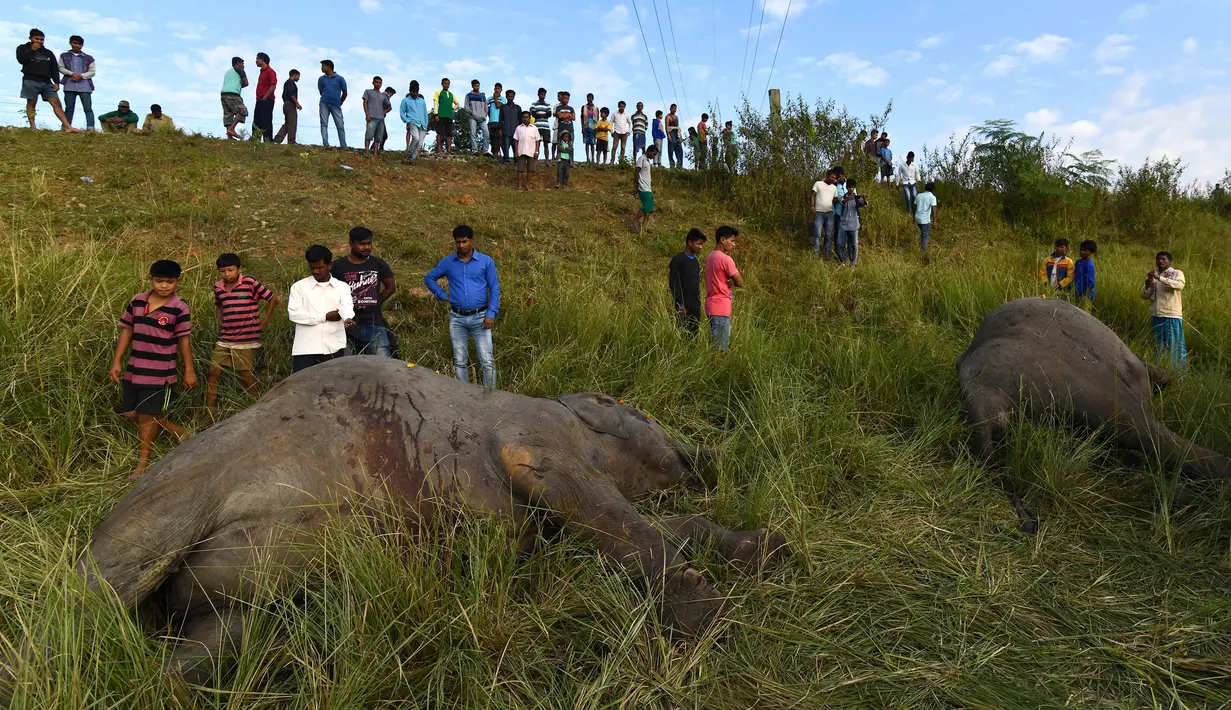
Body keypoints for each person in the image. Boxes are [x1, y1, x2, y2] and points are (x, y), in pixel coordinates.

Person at [108, 260, 196, 478]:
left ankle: (143, 465)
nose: (164, 286)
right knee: (130, 413)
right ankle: (179, 431)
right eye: (159, 281)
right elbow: (127, 332)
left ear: (178, 282)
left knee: (146, 418)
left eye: (169, 282)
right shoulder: (137, 301)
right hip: (135, 367)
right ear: (150, 280)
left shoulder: (179, 307)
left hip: (159, 372)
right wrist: (117, 361)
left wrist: (189, 370)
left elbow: (184, 341)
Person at [424, 225, 501, 389]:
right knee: (459, 360)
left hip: (481, 316)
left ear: (472, 241)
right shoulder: (448, 262)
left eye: (464, 241)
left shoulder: (486, 262)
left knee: (487, 359)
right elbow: (429, 278)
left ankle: (492, 397)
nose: (461, 245)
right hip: (457, 317)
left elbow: (494, 288)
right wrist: (443, 295)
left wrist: (491, 314)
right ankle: (464, 397)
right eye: (458, 242)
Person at [206, 253, 276, 419]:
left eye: (230, 270)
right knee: (213, 371)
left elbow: (272, 298)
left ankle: (259, 406)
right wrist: (220, 320)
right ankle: (210, 412)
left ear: (239, 269)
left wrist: (265, 320)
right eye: (222, 271)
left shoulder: (249, 283)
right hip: (225, 338)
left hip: (247, 338)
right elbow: (219, 305)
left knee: (245, 373)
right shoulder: (218, 287)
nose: (227, 274)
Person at [287, 245, 354, 373]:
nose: (315, 271)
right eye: (312, 268)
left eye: (319, 268)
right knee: (302, 386)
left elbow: (346, 306)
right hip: (306, 347)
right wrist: (325, 317)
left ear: (329, 265)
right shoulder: (299, 287)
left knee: (332, 384)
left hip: (334, 346)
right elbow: (294, 314)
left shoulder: (342, 287)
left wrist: (347, 318)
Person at [331, 227, 396, 357]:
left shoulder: (378, 263)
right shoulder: (338, 266)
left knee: (383, 361)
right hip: (347, 324)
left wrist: (376, 302)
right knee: (346, 364)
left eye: (369, 243)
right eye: (362, 244)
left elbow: (390, 287)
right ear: (351, 244)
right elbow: (330, 291)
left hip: (373, 322)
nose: (366, 247)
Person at [17, 29, 77, 132]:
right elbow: (21, 60)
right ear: (30, 38)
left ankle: (68, 127)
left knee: (56, 102)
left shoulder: (48, 52)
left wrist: (56, 82)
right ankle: (32, 126)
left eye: (42, 40)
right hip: (30, 79)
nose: (39, 41)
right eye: (36, 39)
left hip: (47, 81)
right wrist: (32, 50)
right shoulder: (22, 48)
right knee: (31, 102)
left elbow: (54, 68)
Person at [1141, 251, 1187, 365]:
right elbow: (1143, 295)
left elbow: (1179, 285)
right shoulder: (1154, 276)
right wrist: (1147, 285)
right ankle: (1161, 368)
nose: (1160, 261)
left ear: (1170, 262)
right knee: (1159, 345)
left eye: (1163, 259)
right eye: (1158, 259)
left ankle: (1177, 372)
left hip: (1171, 315)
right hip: (1156, 315)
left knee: (1173, 346)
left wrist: (1160, 278)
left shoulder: (1176, 273)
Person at [705, 226, 743, 351]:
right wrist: (734, 281)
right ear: (722, 240)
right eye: (732, 241)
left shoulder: (710, 256)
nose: (734, 244)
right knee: (721, 349)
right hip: (721, 307)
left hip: (711, 305)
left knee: (716, 346)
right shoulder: (726, 259)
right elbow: (740, 282)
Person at [669, 228, 706, 333]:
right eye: (698, 244)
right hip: (683, 307)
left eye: (702, 244)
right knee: (683, 335)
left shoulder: (695, 261)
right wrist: (680, 304)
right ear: (690, 243)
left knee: (694, 336)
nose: (700, 247)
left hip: (695, 305)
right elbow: (674, 283)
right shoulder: (678, 260)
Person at [58, 35, 95, 131]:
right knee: (69, 108)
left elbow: (92, 72)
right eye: (75, 43)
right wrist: (72, 74)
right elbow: (60, 68)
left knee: (88, 108)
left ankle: (90, 128)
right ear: (70, 43)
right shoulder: (64, 56)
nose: (77, 46)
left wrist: (81, 76)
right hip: (69, 84)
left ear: (82, 45)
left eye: (79, 44)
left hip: (85, 86)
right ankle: (66, 127)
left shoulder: (89, 58)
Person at [809, 169, 839, 259]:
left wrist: (837, 200)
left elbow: (834, 199)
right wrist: (812, 207)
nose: (833, 179)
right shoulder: (818, 184)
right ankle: (816, 254)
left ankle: (827, 255)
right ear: (827, 175)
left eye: (835, 178)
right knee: (817, 234)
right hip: (819, 213)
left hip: (830, 213)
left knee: (829, 235)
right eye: (832, 177)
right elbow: (813, 195)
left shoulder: (834, 187)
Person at [318, 59, 348, 149]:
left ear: (329, 67)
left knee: (340, 125)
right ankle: (325, 143)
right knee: (324, 123)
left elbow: (345, 92)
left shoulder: (340, 79)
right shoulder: (321, 79)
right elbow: (321, 91)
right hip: (324, 103)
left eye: (323, 66)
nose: (322, 68)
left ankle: (343, 145)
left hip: (336, 105)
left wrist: (340, 101)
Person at [838, 179, 867, 266]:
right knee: (841, 244)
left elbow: (863, 204)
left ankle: (853, 263)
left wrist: (864, 199)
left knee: (854, 245)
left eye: (852, 187)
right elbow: (841, 202)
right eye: (849, 187)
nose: (851, 189)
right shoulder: (843, 196)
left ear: (854, 188)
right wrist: (848, 199)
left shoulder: (856, 198)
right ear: (846, 187)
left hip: (854, 224)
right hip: (843, 224)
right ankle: (846, 260)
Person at [400, 80, 428, 165]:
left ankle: (412, 158)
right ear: (410, 91)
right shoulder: (405, 100)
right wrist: (407, 121)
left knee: (420, 143)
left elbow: (425, 112)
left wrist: (426, 123)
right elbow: (402, 112)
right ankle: (408, 154)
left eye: (416, 92)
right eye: (413, 91)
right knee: (415, 138)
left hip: (423, 123)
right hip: (412, 121)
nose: (415, 93)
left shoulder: (422, 101)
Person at [362, 76, 391, 157]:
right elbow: (365, 103)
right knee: (369, 135)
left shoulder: (383, 96)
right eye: (376, 82)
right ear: (373, 83)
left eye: (380, 83)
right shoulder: (368, 92)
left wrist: (383, 112)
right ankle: (367, 152)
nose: (378, 84)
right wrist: (367, 114)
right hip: (371, 117)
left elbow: (389, 107)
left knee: (378, 137)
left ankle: (375, 153)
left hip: (380, 119)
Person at [220, 56, 249, 140]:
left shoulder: (228, 72)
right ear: (238, 63)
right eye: (242, 63)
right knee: (243, 111)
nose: (243, 66)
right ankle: (231, 129)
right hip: (233, 94)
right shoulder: (239, 70)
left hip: (223, 94)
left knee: (228, 114)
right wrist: (240, 86)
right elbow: (246, 83)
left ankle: (229, 137)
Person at [633, 144, 658, 233]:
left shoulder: (647, 161)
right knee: (646, 207)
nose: (654, 156)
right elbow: (636, 172)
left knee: (650, 209)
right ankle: (635, 220)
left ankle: (644, 227)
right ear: (649, 151)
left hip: (648, 188)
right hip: (643, 187)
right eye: (654, 154)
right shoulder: (642, 159)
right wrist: (635, 186)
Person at [252, 53, 277, 141]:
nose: (256, 61)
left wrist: (265, 97)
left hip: (267, 100)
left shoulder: (270, 71)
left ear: (262, 60)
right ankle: (255, 139)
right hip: (259, 99)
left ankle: (268, 140)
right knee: (257, 120)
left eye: (257, 59)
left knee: (266, 120)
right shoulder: (262, 72)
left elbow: (273, 85)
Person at [513, 111, 540, 191]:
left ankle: (528, 185)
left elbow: (537, 141)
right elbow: (516, 140)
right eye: (524, 117)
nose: (525, 119)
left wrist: (537, 151)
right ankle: (519, 186)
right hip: (521, 152)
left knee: (530, 170)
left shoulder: (534, 128)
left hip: (531, 152)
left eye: (527, 117)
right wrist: (516, 151)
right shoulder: (518, 128)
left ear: (530, 118)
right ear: (521, 118)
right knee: (520, 170)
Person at [273, 69, 301, 144]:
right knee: (292, 123)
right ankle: (291, 141)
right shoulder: (291, 83)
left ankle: (277, 139)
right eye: (298, 76)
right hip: (290, 104)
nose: (299, 78)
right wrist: (296, 103)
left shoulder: (287, 83)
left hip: (286, 104)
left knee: (287, 123)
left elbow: (283, 95)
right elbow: (291, 93)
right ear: (294, 75)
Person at [432, 77, 459, 156]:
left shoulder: (451, 94)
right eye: (445, 84)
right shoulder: (438, 92)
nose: (446, 85)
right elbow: (436, 103)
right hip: (441, 115)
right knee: (440, 133)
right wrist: (436, 114)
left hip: (449, 116)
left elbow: (457, 103)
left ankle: (449, 150)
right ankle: (439, 150)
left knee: (449, 133)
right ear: (442, 84)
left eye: (448, 84)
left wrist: (452, 108)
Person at [463, 79, 489, 155]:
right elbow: (466, 106)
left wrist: (485, 114)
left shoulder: (482, 96)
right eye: (475, 86)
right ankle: (474, 150)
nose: (477, 87)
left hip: (482, 118)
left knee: (486, 133)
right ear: (472, 86)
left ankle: (485, 150)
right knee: (473, 133)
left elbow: (486, 107)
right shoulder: (469, 95)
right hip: (473, 117)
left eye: (478, 85)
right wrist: (472, 113)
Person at [915, 182, 939, 262]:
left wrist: (913, 218)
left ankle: (921, 247)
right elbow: (934, 210)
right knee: (925, 236)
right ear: (933, 189)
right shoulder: (932, 197)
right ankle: (923, 253)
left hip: (917, 218)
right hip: (925, 220)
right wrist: (934, 222)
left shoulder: (919, 195)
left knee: (922, 234)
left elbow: (914, 207)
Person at [530, 87, 553, 161]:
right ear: (538, 94)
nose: (543, 96)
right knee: (537, 144)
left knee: (546, 144)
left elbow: (549, 114)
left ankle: (547, 160)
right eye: (541, 94)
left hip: (546, 127)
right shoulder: (534, 104)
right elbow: (533, 114)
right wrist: (543, 115)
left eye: (544, 94)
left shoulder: (548, 104)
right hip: (537, 127)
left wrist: (539, 114)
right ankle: (535, 160)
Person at [499, 89, 521, 164]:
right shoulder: (503, 107)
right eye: (509, 96)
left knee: (516, 147)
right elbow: (500, 119)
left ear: (514, 97)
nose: (510, 98)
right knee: (506, 147)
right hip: (506, 130)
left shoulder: (517, 108)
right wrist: (500, 129)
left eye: (512, 96)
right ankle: (506, 160)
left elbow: (520, 120)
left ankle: (516, 161)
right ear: (506, 97)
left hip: (516, 131)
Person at [1073, 239, 1097, 307]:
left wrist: (1085, 298)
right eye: (1081, 249)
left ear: (1091, 252)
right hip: (1077, 293)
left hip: (1086, 296)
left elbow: (1091, 283)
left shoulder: (1089, 265)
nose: (1081, 252)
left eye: (1085, 250)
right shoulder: (1078, 262)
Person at [554, 92, 576, 161]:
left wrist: (564, 116)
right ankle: (559, 159)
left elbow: (574, 118)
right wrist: (568, 115)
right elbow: (559, 116)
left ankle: (571, 161)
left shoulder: (571, 108)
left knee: (570, 144)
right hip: (561, 128)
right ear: (561, 98)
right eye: (564, 98)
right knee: (560, 144)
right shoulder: (558, 107)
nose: (566, 100)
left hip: (570, 129)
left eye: (567, 98)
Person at [487, 82, 504, 158]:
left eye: (498, 89)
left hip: (498, 121)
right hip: (491, 121)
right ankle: (491, 152)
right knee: (489, 137)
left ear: (501, 90)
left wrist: (496, 98)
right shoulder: (489, 98)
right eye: (496, 88)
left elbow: (498, 106)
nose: (497, 90)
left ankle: (496, 153)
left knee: (497, 138)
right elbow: (484, 106)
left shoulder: (503, 99)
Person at [582, 93, 599, 163]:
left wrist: (597, 129)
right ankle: (587, 158)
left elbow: (597, 119)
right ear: (586, 98)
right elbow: (582, 117)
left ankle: (593, 159)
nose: (589, 99)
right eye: (588, 98)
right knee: (586, 143)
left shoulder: (596, 108)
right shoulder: (584, 107)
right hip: (586, 126)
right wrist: (582, 127)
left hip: (593, 127)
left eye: (590, 98)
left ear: (593, 98)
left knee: (592, 143)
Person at [380, 86, 396, 151]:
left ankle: (375, 147)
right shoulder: (385, 96)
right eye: (392, 94)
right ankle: (379, 147)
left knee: (380, 133)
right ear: (389, 92)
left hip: (379, 116)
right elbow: (390, 108)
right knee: (384, 135)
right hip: (380, 117)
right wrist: (383, 112)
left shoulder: (380, 95)